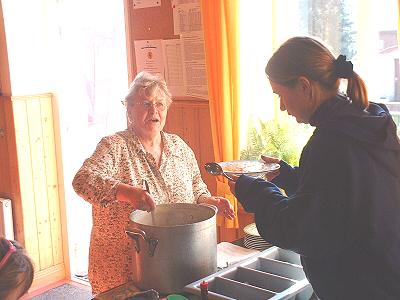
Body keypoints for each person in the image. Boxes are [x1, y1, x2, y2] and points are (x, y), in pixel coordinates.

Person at [229, 36, 400, 300]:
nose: (282, 107)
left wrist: (254, 191)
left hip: (360, 285)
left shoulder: (330, 142)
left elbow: (300, 228)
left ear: (304, 86)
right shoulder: (368, 122)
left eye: (280, 95)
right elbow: (346, 196)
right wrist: (290, 177)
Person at [72, 71, 235, 294]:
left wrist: (207, 200)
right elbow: (83, 180)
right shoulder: (115, 146)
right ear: (129, 110)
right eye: (146, 104)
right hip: (123, 270)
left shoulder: (178, 146)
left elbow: (196, 184)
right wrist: (126, 192)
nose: (154, 111)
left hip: (173, 264)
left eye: (160, 104)